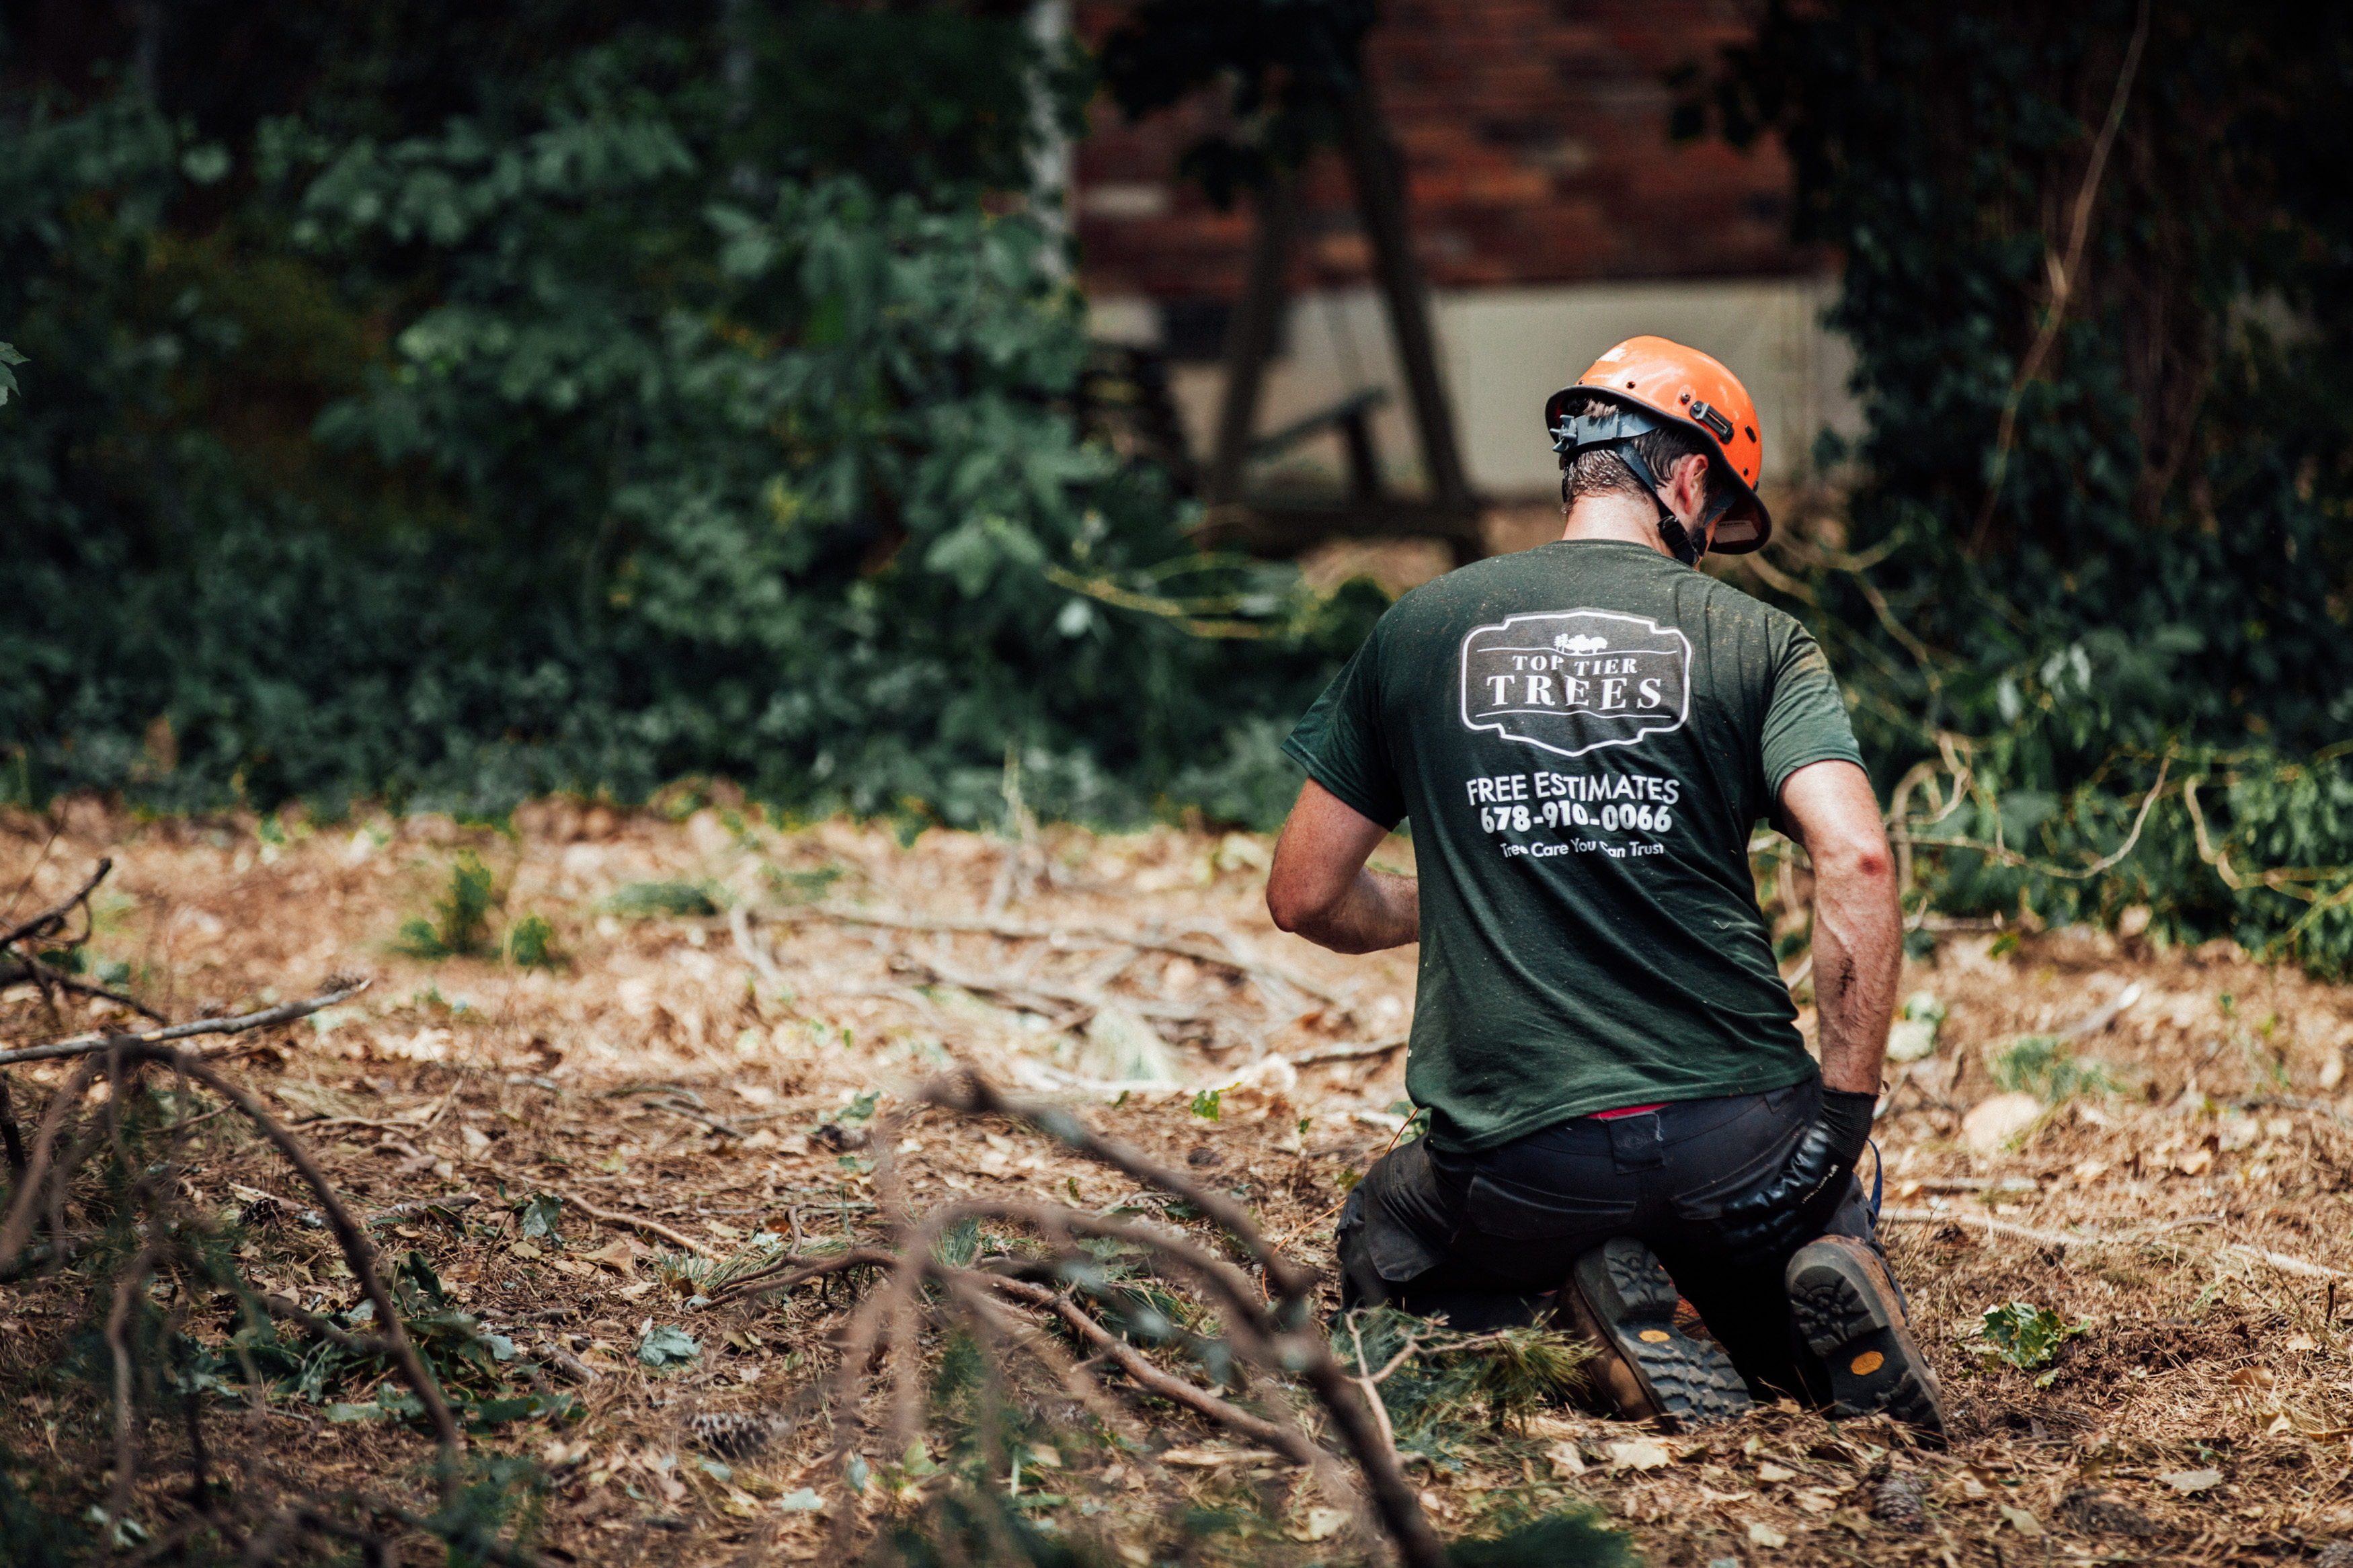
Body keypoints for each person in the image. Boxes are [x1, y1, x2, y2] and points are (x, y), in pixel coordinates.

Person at [1265, 336, 1945, 1438]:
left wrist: (1473, 885)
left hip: (1526, 1154)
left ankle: (1581, 1323)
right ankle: (1815, 1292)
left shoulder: (1422, 627)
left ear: (1579, 464)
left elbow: (1303, 892)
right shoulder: (1761, 641)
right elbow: (1859, 856)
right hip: (1742, 1138)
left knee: (1383, 1244)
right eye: (1719, 519)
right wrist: (1840, 1116)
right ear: (1689, 480)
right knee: (1790, 1229)